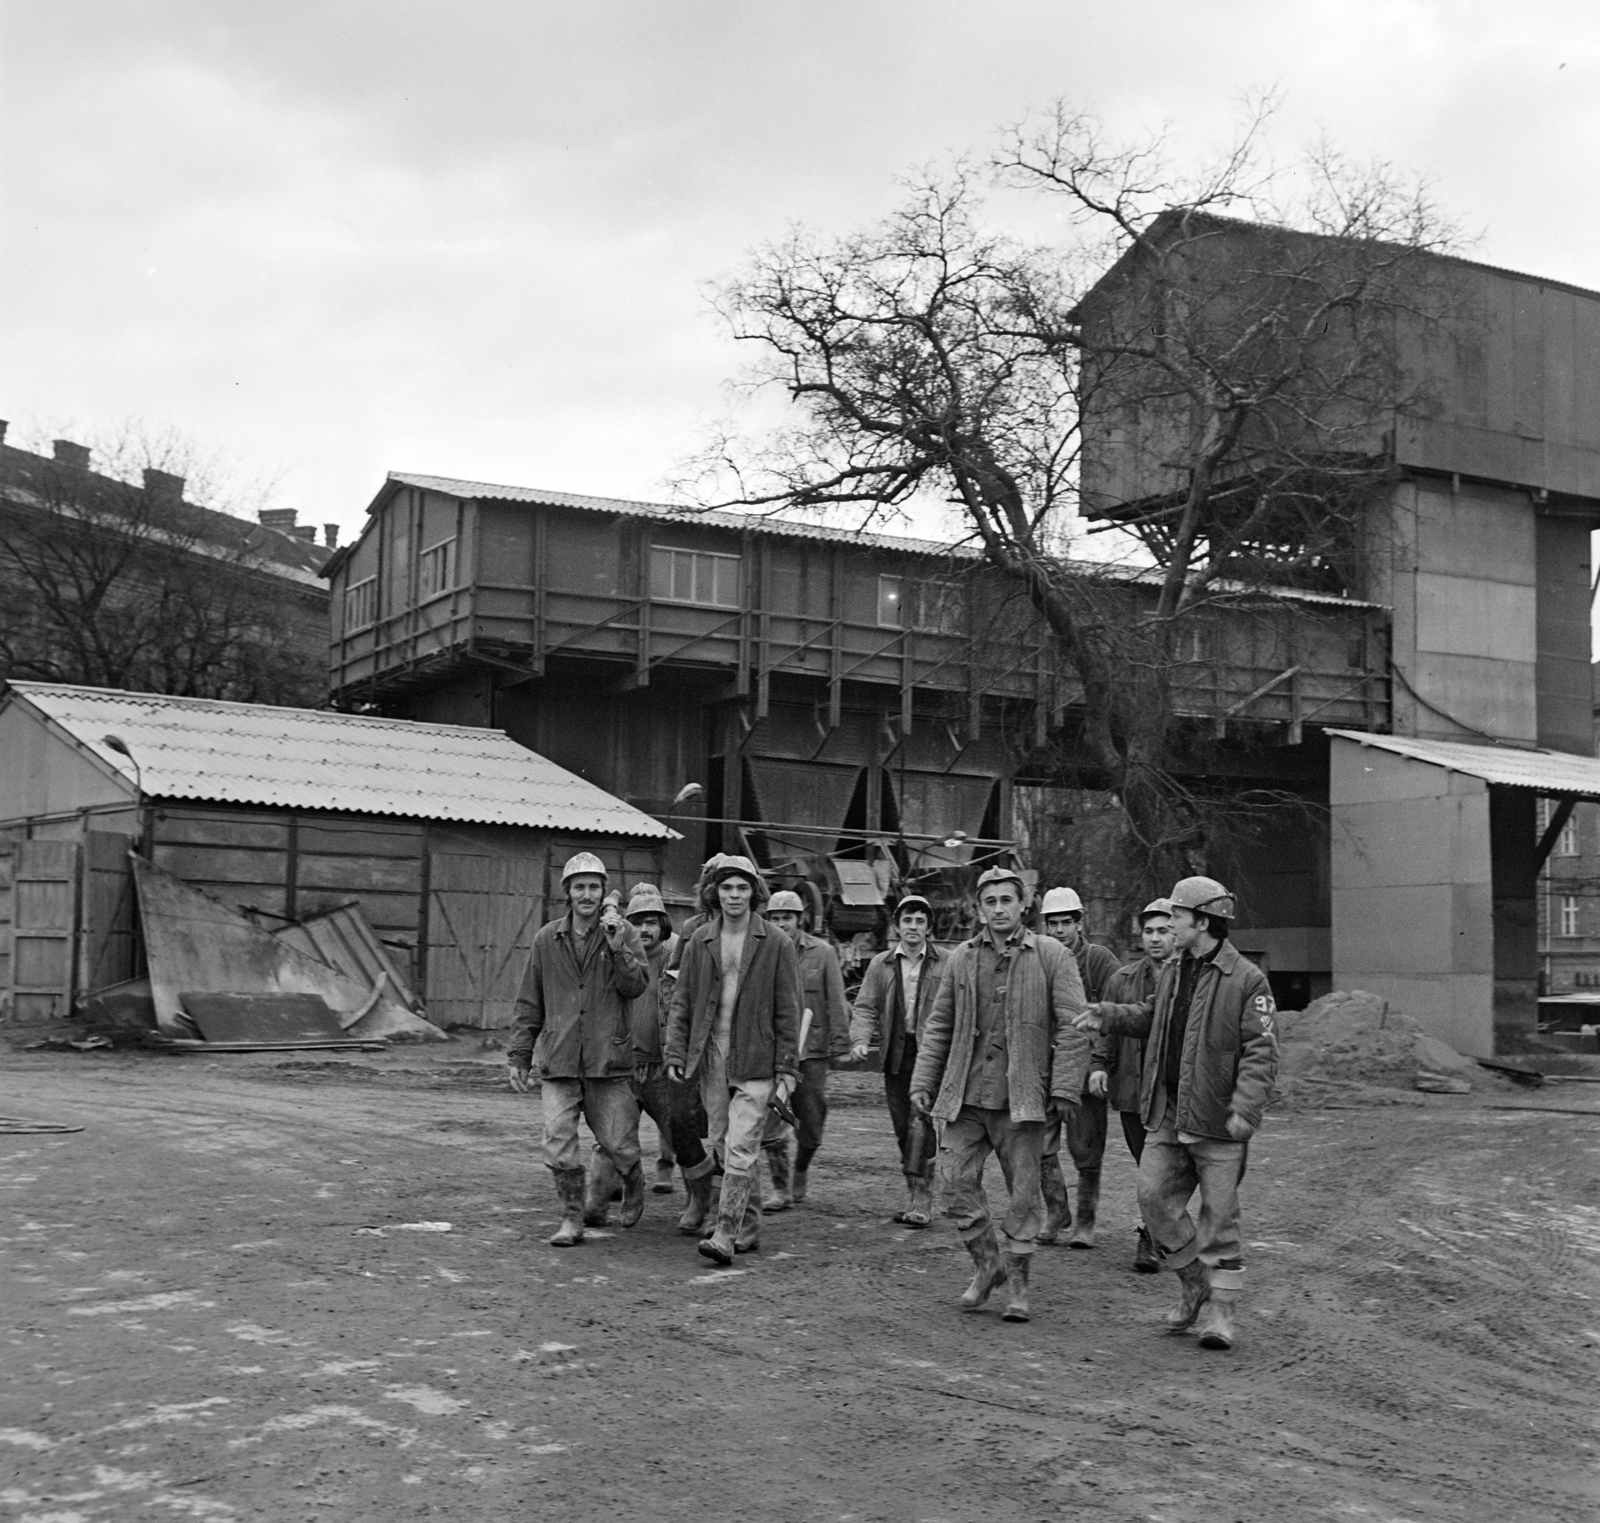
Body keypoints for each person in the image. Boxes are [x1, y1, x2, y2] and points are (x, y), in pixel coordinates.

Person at [1074, 876, 1278, 1350]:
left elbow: (1261, 1053)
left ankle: (1223, 1314)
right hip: (1167, 1113)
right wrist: (1109, 1014)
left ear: (1202, 923)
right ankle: (1193, 1284)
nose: (1167, 927)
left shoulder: (1247, 980)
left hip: (1218, 1122)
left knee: (1219, 1219)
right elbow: (1150, 1015)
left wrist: (1245, 1108)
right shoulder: (1173, 971)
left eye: (1177, 919)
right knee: (1152, 1197)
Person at [909, 864, 1088, 1323]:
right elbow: (939, 1026)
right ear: (979, 908)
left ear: (1023, 904)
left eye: (1007, 900)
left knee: (1023, 1196)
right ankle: (988, 1265)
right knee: (951, 1182)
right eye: (990, 901)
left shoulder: (1051, 956)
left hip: (1022, 1100)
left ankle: (1020, 1287)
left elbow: (1074, 1026)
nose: (999, 909)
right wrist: (923, 1081)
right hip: (965, 1097)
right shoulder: (960, 959)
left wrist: (1065, 1087)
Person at [664, 855, 802, 1265]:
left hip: (758, 1054)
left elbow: (788, 1009)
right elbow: (682, 1001)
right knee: (724, 1143)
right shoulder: (700, 939)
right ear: (715, 892)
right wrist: (675, 1049)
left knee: (742, 1144)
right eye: (727, 888)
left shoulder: (777, 942)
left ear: (754, 893)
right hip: (710, 1052)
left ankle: (725, 1232)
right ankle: (748, 1225)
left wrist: (787, 1068)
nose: (735, 895)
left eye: (742, 887)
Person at [507, 852, 649, 1248]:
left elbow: (636, 987)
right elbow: (528, 1002)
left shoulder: (623, 934)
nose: (586, 894)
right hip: (561, 1060)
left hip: (609, 1059)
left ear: (604, 892)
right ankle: (572, 1217)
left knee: (620, 1143)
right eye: (579, 887)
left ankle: (634, 1178)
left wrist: (619, 945)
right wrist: (519, 1055)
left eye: (593, 887)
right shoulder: (546, 939)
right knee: (557, 1139)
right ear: (567, 893)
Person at [620, 883, 718, 1235]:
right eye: (637, 922)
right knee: (613, 1135)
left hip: (663, 1066)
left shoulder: (677, 957)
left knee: (682, 1137)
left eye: (651, 922)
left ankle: (700, 1199)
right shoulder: (620, 957)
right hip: (625, 1067)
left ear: (663, 925)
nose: (644, 929)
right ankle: (617, 1193)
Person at [848, 893, 948, 1226]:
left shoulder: (945, 962)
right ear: (897, 926)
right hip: (896, 1053)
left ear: (929, 928)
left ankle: (922, 1198)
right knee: (902, 1126)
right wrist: (861, 1039)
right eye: (908, 920)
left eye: (920, 921)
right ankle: (915, 1191)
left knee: (922, 1121)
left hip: (931, 1054)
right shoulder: (882, 964)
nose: (914, 927)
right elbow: (865, 1006)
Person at [1089, 898, 1175, 1273]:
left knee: (1169, 1170)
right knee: (1147, 1168)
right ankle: (1153, 1236)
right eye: (1149, 931)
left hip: (1173, 1093)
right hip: (1132, 1092)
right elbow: (1106, 1029)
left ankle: (1163, 1233)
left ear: (1178, 933)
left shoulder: (1191, 980)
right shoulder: (1121, 980)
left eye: (1164, 931)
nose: (1155, 939)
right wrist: (1098, 1066)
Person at [1036, 886, 1124, 1250]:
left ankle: (1085, 1222)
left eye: (1065, 923)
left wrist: (1101, 1062)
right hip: (1046, 1067)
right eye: (1053, 923)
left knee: (1087, 1149)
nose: (1059, 930)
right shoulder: (1038, 958)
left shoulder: (1100, 961)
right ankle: (1057, 1211)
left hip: (1086, 1069)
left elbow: (1115, 1012)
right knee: (1038, 1144)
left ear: (1079, 923)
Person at [759, 889, 850, 1211]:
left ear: (801, 919)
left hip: (811, 1052)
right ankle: (781, 1188)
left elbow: (837, 1001)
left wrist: (841, 1044)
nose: (782, 923)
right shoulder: (762, 951)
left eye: (788, 917)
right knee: (774, 1118)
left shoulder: (822, 953)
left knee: (811, 1123)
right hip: (774, 1050)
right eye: (776, 917)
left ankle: (801, 1168)